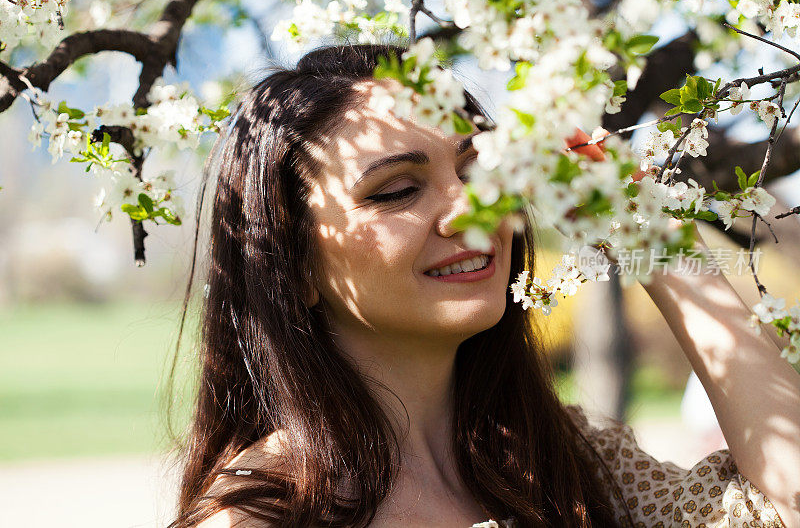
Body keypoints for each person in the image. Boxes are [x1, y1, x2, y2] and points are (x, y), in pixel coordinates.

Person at [168, 43, 799, 527]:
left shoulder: (571, 461)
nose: (472, 211)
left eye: (480, 171)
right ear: (295, 266)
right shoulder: (264, 515)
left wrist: (651, 235)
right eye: (397, 191)